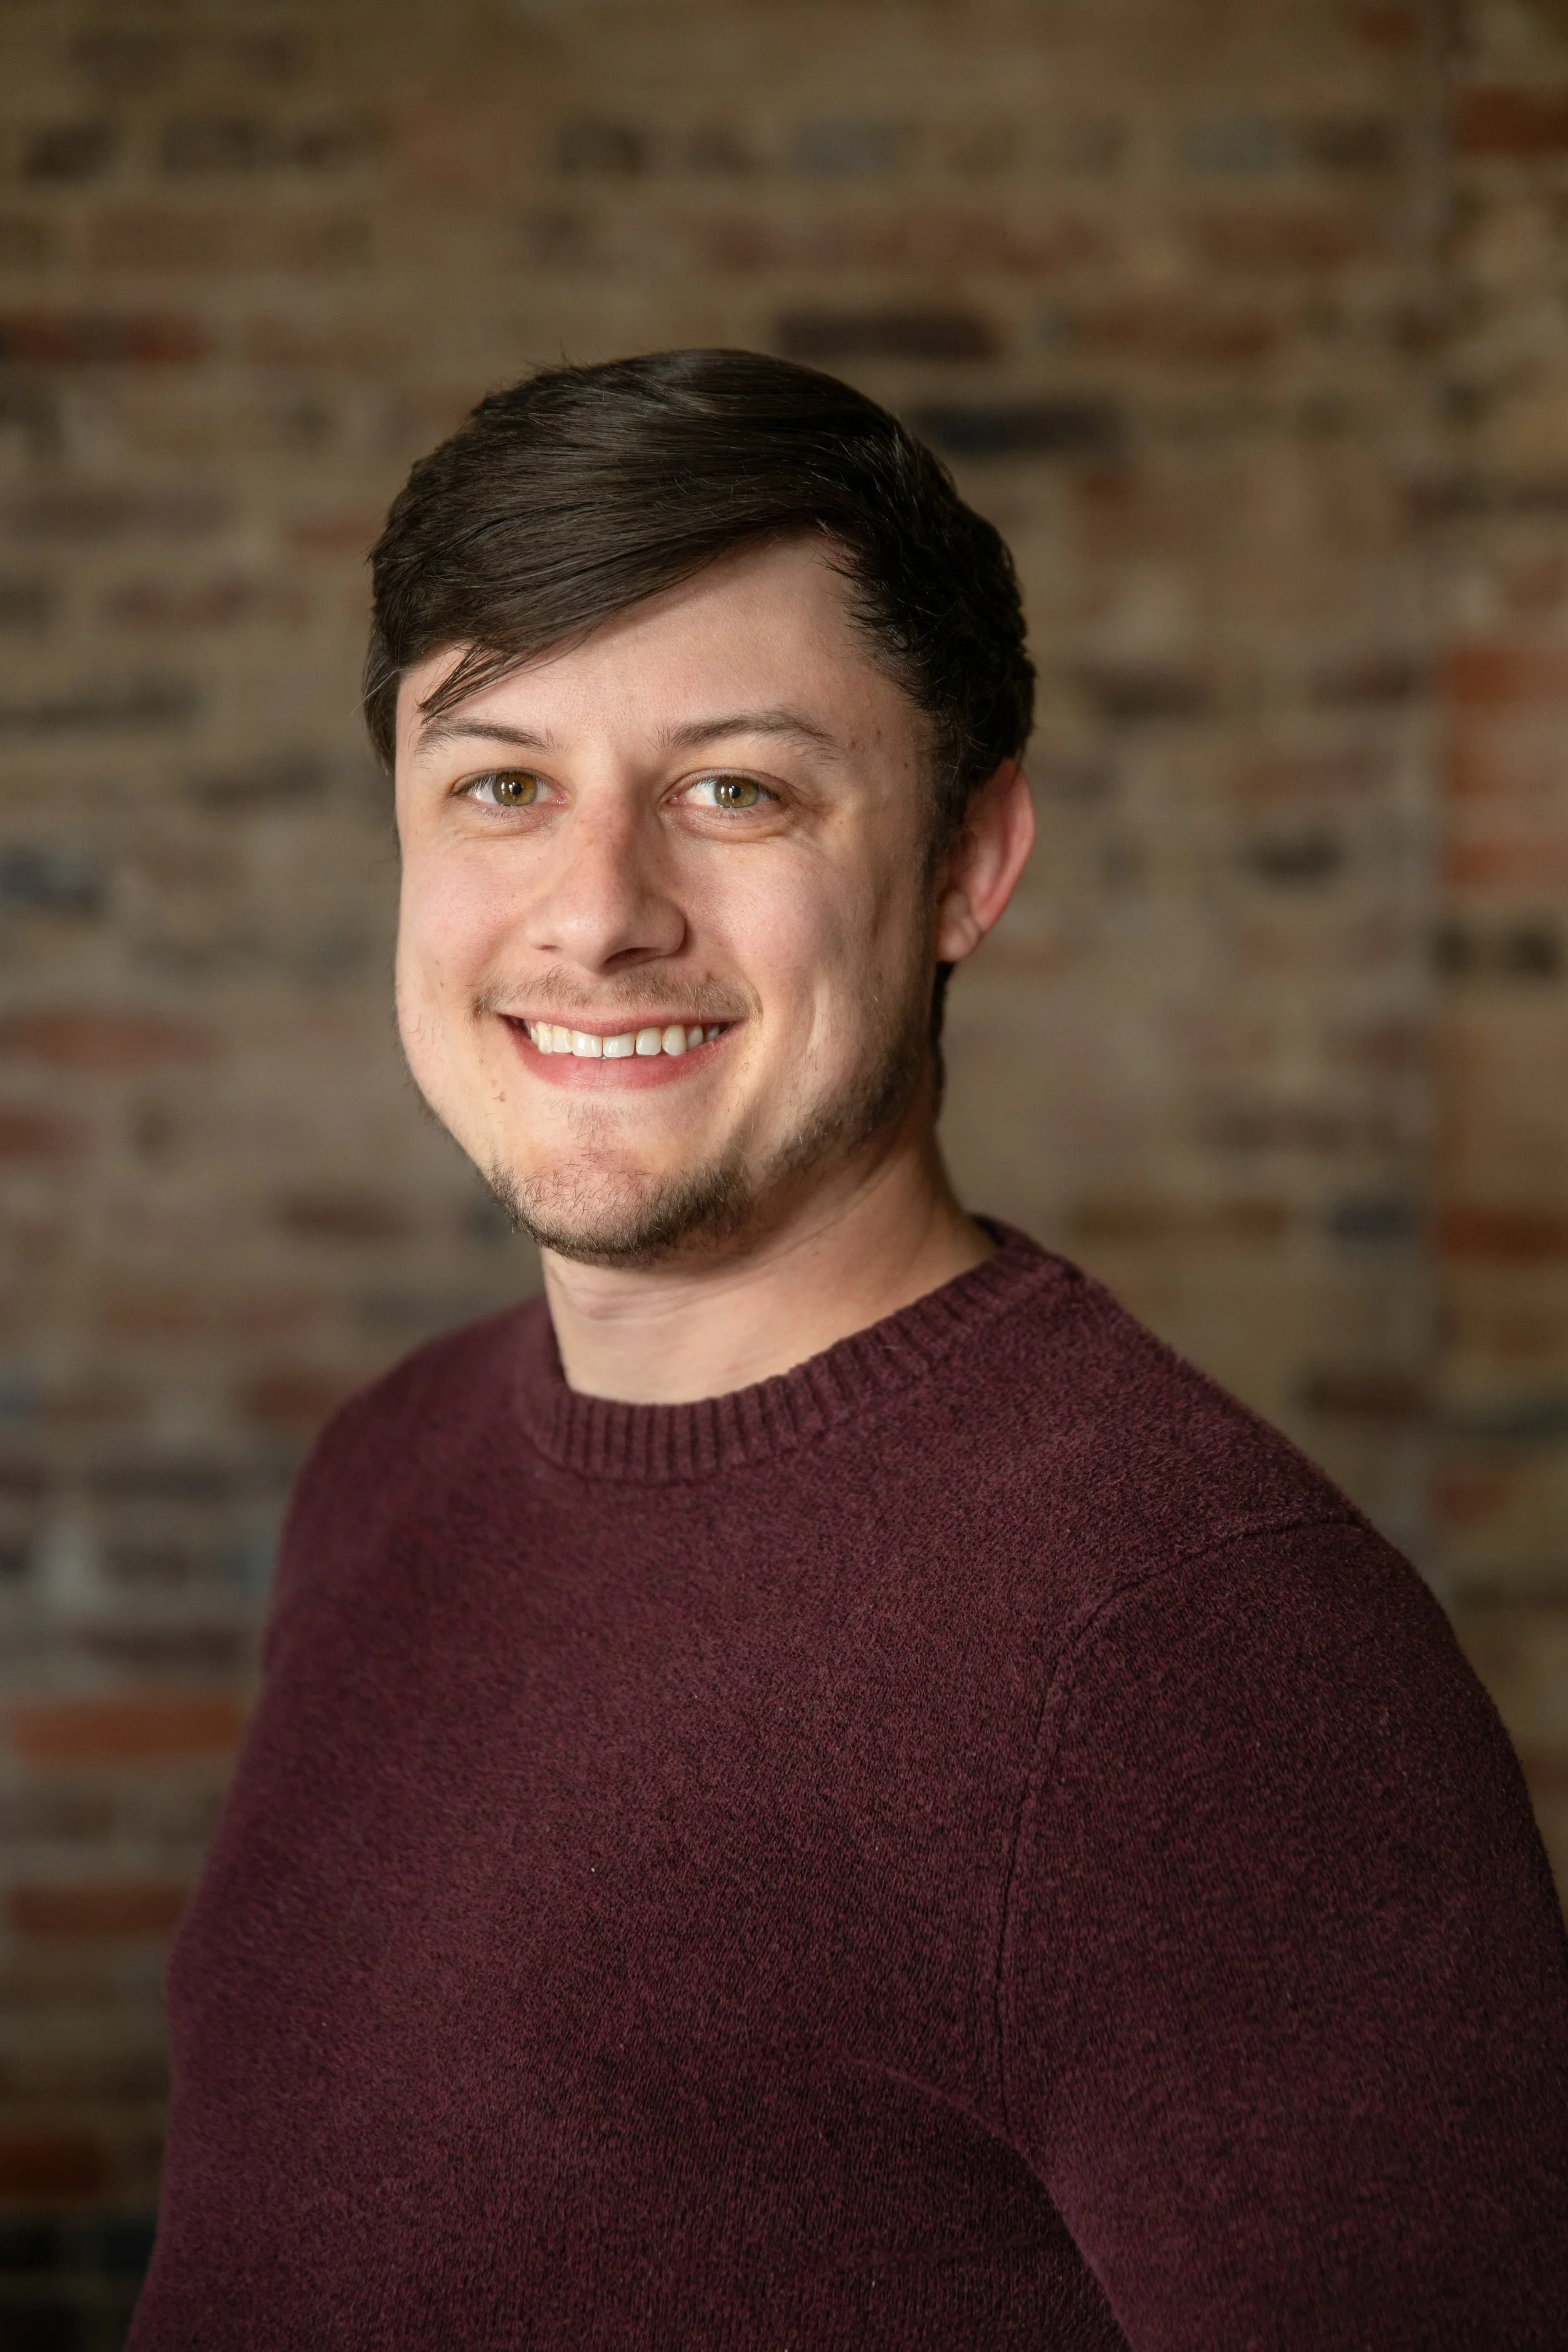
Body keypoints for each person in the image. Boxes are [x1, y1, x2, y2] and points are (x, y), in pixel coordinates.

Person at [130, 352, 1568, 2350]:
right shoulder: (393, 1461)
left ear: (968, 862)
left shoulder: (1197, 1653)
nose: (597, 912)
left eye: (737, 789)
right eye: (502, 784)